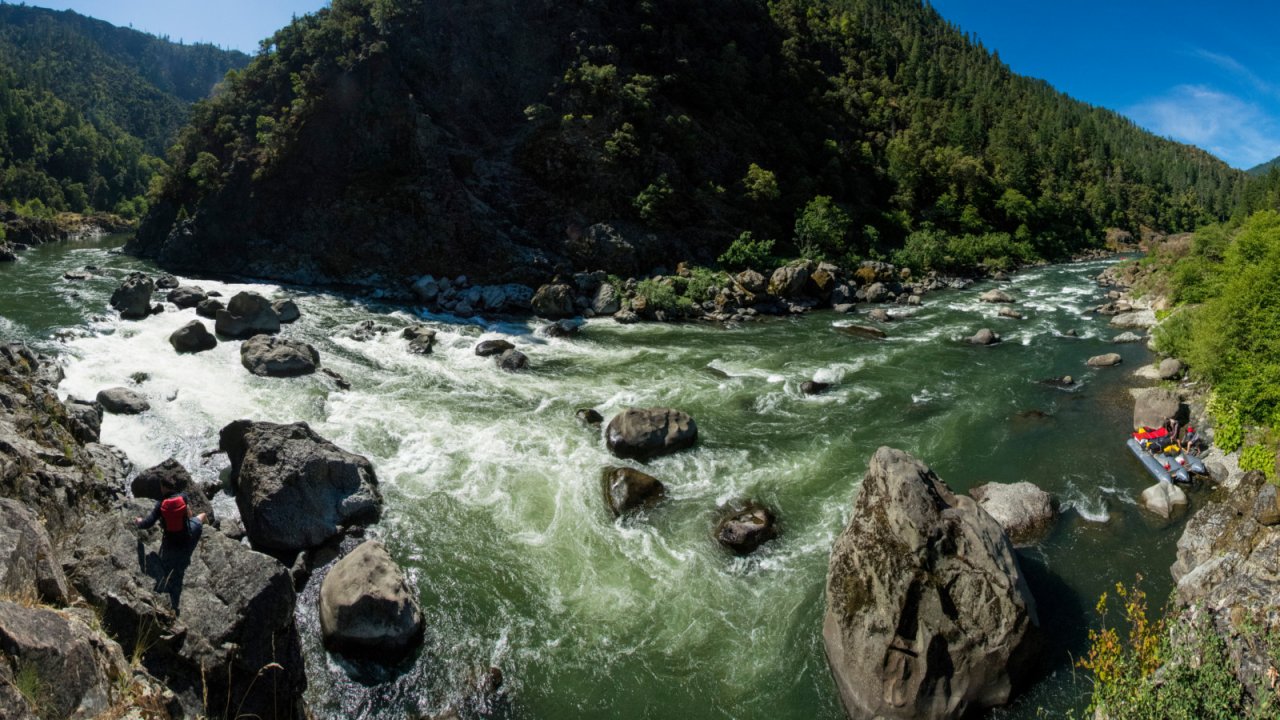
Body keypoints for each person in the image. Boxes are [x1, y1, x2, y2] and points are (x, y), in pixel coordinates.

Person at [134, 477, 206, 543]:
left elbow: (148, 523)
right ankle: (205, 531)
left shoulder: (161, 504)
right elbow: (189, 513)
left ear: (163, 487)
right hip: (186, 536)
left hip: (169, 540)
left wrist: (139, 522)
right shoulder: (183, 497)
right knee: (203, 515)